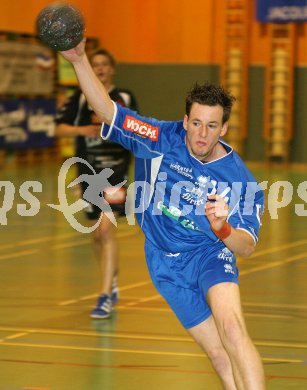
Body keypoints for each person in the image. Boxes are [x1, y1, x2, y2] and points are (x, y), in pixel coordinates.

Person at [60, 40, 266, 389]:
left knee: (232, 329)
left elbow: (247, 248)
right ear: (185, 120)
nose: (202, 135)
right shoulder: (158, 137)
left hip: (208, 253)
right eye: (196, 123)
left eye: (212, 126)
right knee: (217, 353)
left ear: (225, 129)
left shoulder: (239, 179)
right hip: (163, 262)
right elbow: (108, 111)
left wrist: (224, 229)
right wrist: (79, 60)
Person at [55, 48, 138, 319]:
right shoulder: (79, 98)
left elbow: (135, 131)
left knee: (106, 230)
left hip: (116, 173)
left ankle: (104, 296)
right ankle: (110, 279)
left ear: (112, 69)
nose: (100, 69)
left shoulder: (124, 97)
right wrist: (83, 130)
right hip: (88, 173)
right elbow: (59, 128)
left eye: (104, 64)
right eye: (96, 64)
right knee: (96, 235)